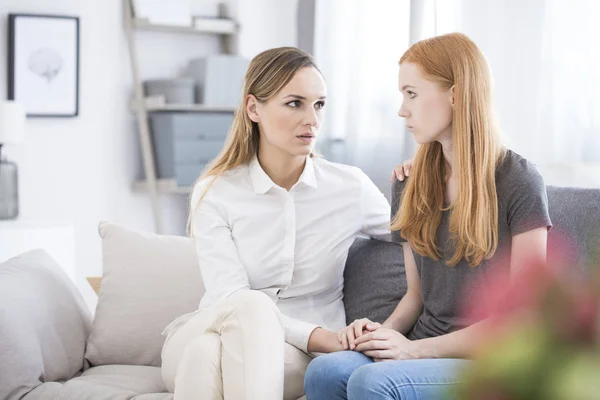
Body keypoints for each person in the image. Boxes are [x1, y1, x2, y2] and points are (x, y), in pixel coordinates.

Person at [304, 32, 553, 400]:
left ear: (455, 93)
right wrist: (381, 336)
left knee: (371, 383)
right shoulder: (410, 183)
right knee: (325, 370)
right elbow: (416, 298)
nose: (402, 109)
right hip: (423, 344)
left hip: (490, 358)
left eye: (412, 93)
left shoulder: (519, 180)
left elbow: (525, 317)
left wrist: (412, 351)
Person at [160, 47, 392, 400]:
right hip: (213, 328)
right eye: (295, 103)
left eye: (319, 104)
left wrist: (420, 186)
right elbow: (229, 296)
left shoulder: (350, 187)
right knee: (250, 307)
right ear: (254, 108)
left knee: (204, 358)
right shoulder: (215, 192)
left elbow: (418, 239)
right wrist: (320, 336)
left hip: (290, 355)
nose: (312, 119)